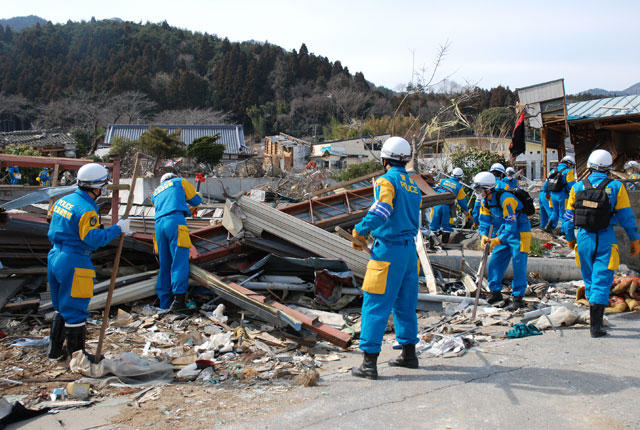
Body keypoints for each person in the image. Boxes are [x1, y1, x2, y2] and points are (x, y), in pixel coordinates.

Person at [350, 136, 422, 380]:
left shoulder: (386, 180)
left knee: (375, 304)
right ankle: (409, 355)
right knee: (405, 305)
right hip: (409, 252)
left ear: (384, 158)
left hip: (388, 251)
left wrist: (360, 229)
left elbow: (382, 209)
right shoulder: (412, 184)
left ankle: (369, 364)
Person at [47, 163, 131, 361]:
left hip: (55, 256)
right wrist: (117, 229)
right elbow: (92, 239)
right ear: (96, 187)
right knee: (75, 309)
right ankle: (78, 358)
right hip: (75, 259)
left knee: (60, 307)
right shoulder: (87, 210)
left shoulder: (63, 201)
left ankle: (54, 352)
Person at [563, 150, 639, 337]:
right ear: (609, 168)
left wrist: (570, 238)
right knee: (602, 281)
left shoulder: (577, 187)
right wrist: (634, 239)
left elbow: (567, 218)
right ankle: (596, 328)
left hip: (583, 239)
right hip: (605, 239)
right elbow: (627, 218)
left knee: (589, 280)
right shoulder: (615, 187)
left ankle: (594, 320)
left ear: (588, 166)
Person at [474, 171, 532, 311]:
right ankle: (495, 292)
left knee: (518, 264)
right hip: (503, 231)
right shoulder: (485, 202)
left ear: (488, 189)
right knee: (495, 261)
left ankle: (518, 298)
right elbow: (485, 222)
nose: (477, 192)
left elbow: (512, 225)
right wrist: (483, 235)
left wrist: (498, 240)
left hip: (520, 231)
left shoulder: (506, 200)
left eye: (479, 189)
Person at [152, 172, 202, 312]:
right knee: (179, 261)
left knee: (165, 264)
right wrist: (197, 196)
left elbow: (164, 205)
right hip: (175, 222)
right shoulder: (179, 181)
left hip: (158, 225)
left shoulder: (155, 192)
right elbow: (196, 201)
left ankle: (165, 303)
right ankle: (179, 302)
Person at [430, 167, 470, 240]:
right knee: (446, 227)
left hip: (437, 205)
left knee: (434, 226)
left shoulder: (442, 181)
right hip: (447, 207)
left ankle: (432, 246)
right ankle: (445, 245)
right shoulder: (459, 187)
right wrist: (466, 211)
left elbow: (435, 190)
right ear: (461, 177)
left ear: (452, 175)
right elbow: (462, 202)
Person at [542, 155, 575, 233]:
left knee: (555, 212)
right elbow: (572, 185)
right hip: (562, 195)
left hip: (553, 195)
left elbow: (546, 183)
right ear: (569, 163)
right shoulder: (568, 171)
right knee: (564, 214)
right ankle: (564, 232)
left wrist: (546, 192)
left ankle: (549, 227)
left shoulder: (553, 171)